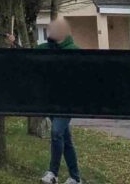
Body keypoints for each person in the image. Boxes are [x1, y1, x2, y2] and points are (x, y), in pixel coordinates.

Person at [41, 17, 81, 184]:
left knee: (57, 133)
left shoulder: (74, 51)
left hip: (67, 102)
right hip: (52, 100)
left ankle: (53, 173)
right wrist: (13, 42)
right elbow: (27, 54)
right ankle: (75, 178)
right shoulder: (45, 48)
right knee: (66, 139)